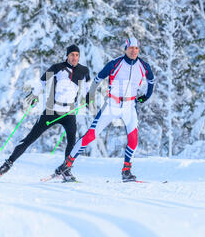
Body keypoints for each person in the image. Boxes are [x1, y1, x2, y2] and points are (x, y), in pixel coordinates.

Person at [54, 37, 154, 182]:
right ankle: (66, 165)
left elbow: (151, 80)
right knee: (90, 136)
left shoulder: (144, 66)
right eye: (131, 48)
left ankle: (126, 171)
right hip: (112, 104)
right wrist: (90, 95)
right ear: (125, 49)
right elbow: (98, 79)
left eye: (136, 48)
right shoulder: (115, 63)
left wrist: (147, 96)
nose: (134, 51)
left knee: (133, 140)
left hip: (129, 106)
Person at [0, 44, 90, 179]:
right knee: (30, 139)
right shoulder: (57, 68)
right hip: (52, 110)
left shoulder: (84, 70)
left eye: (77, 55)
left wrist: (89, 99)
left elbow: (87, 88)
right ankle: (7, 164)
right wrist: (34, 95)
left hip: (69, 112)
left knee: (71, 142)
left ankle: (66, 170)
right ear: (67, 56)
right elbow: (42, 83)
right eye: (72, 55)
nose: (75, 58)